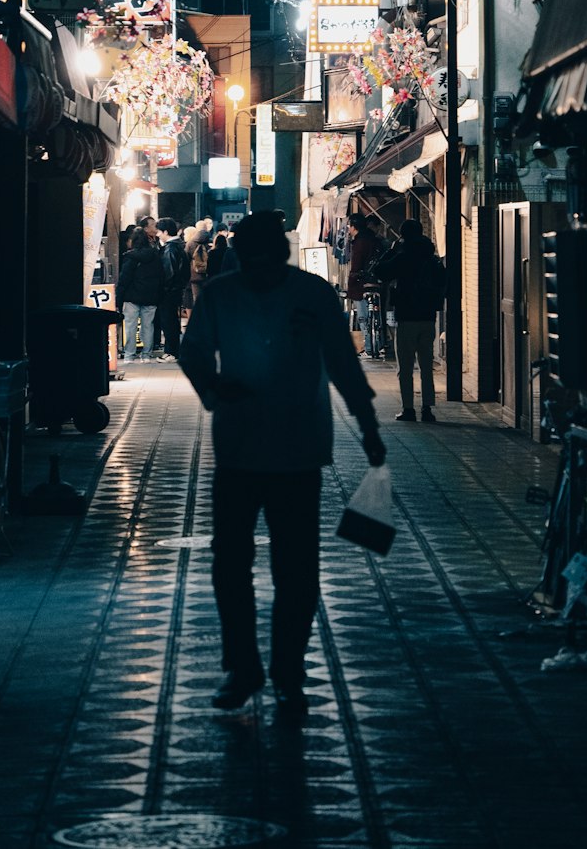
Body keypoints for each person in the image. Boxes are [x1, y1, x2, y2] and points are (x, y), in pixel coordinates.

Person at [179, 210, 385, 719]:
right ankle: (244, 668)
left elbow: (341, 361)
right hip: (242, 451)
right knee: (233, 567)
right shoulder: (224, 296)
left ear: (282, 254)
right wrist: (214, 387)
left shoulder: (312, 295)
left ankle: (288, 673)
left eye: (270, 258)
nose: (263, 267)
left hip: (296, 453)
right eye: (255, 259)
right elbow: (192, 351)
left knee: (294, 570)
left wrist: (368, 425)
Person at [374, 218, 447, 422]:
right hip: (428, 318)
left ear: (403, 235)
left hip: (406, 317)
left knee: (405, 368)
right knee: (426, 367)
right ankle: (427, 409)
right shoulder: (431, 259)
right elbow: (444, 281)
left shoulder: (403, 257)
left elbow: (379, 271)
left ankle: (408, 409)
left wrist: (392, 251)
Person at [116, 226, 164, 362]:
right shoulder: (155, 256)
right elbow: (161, 276)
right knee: (148, 326)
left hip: (132, 297)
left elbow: (124, 279)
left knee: (130, 326)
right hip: (151, 297)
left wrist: (119, 298)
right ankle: (146, 355)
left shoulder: (130, 257)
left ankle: (129, 355)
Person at [156, 218, 190, 360]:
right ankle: (173, 351)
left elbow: (169, 273)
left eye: (159, 231)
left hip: (168, 292)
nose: (157, 234)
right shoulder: (180, 246)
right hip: (176, 290)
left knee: (168, 321)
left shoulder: (170, 249)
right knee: (172, 321)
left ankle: (171, 352)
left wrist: (163, 289)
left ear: (165, 231)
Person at [345, 214, 382, 343]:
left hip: (361, 283)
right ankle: (379, 342)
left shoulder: (360, 242)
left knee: (363, 316)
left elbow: (356, 264)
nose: (348, 229)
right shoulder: (375, 240)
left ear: (354, 227)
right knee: (378, 314)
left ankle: (369, 345)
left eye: (349, 226)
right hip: (377, 280)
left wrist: (351, 282)